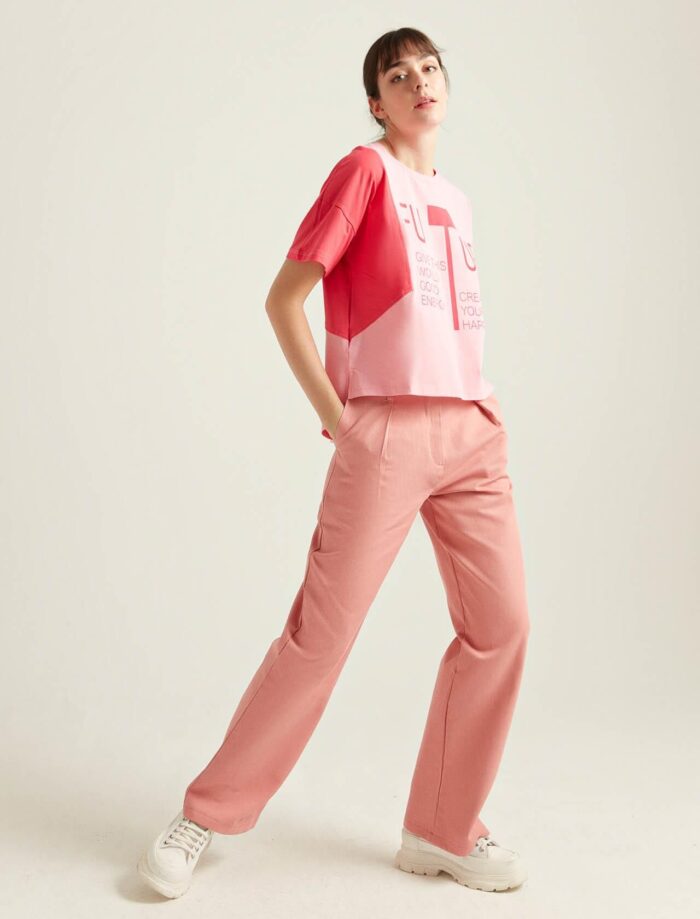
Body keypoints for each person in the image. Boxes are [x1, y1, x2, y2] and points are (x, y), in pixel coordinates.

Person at [137, 26, 531, 899]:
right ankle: (205, 811)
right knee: (321, 636)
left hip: (471, 429)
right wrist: (340, 419)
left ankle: (442, 828)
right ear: (375, 103)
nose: (420, 81)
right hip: (385, 430)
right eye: (398, 74)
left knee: (502, 627)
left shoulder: (456, 198)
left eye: (430, 67)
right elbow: (285, 299)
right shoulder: (364, 171)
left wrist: (481, 411)